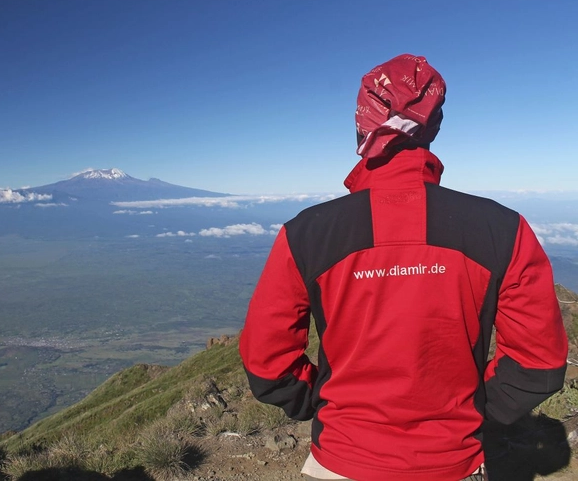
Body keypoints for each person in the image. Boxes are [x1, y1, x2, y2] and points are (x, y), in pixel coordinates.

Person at [239, 54, 568, 481]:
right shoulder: (503, 230)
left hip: (342, 457)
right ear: (434, 126)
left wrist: (320, 403)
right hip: (454, 460)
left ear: (361, 124)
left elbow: (267, 363)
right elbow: (539, 364)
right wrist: (477, 410)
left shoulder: (307, 234)